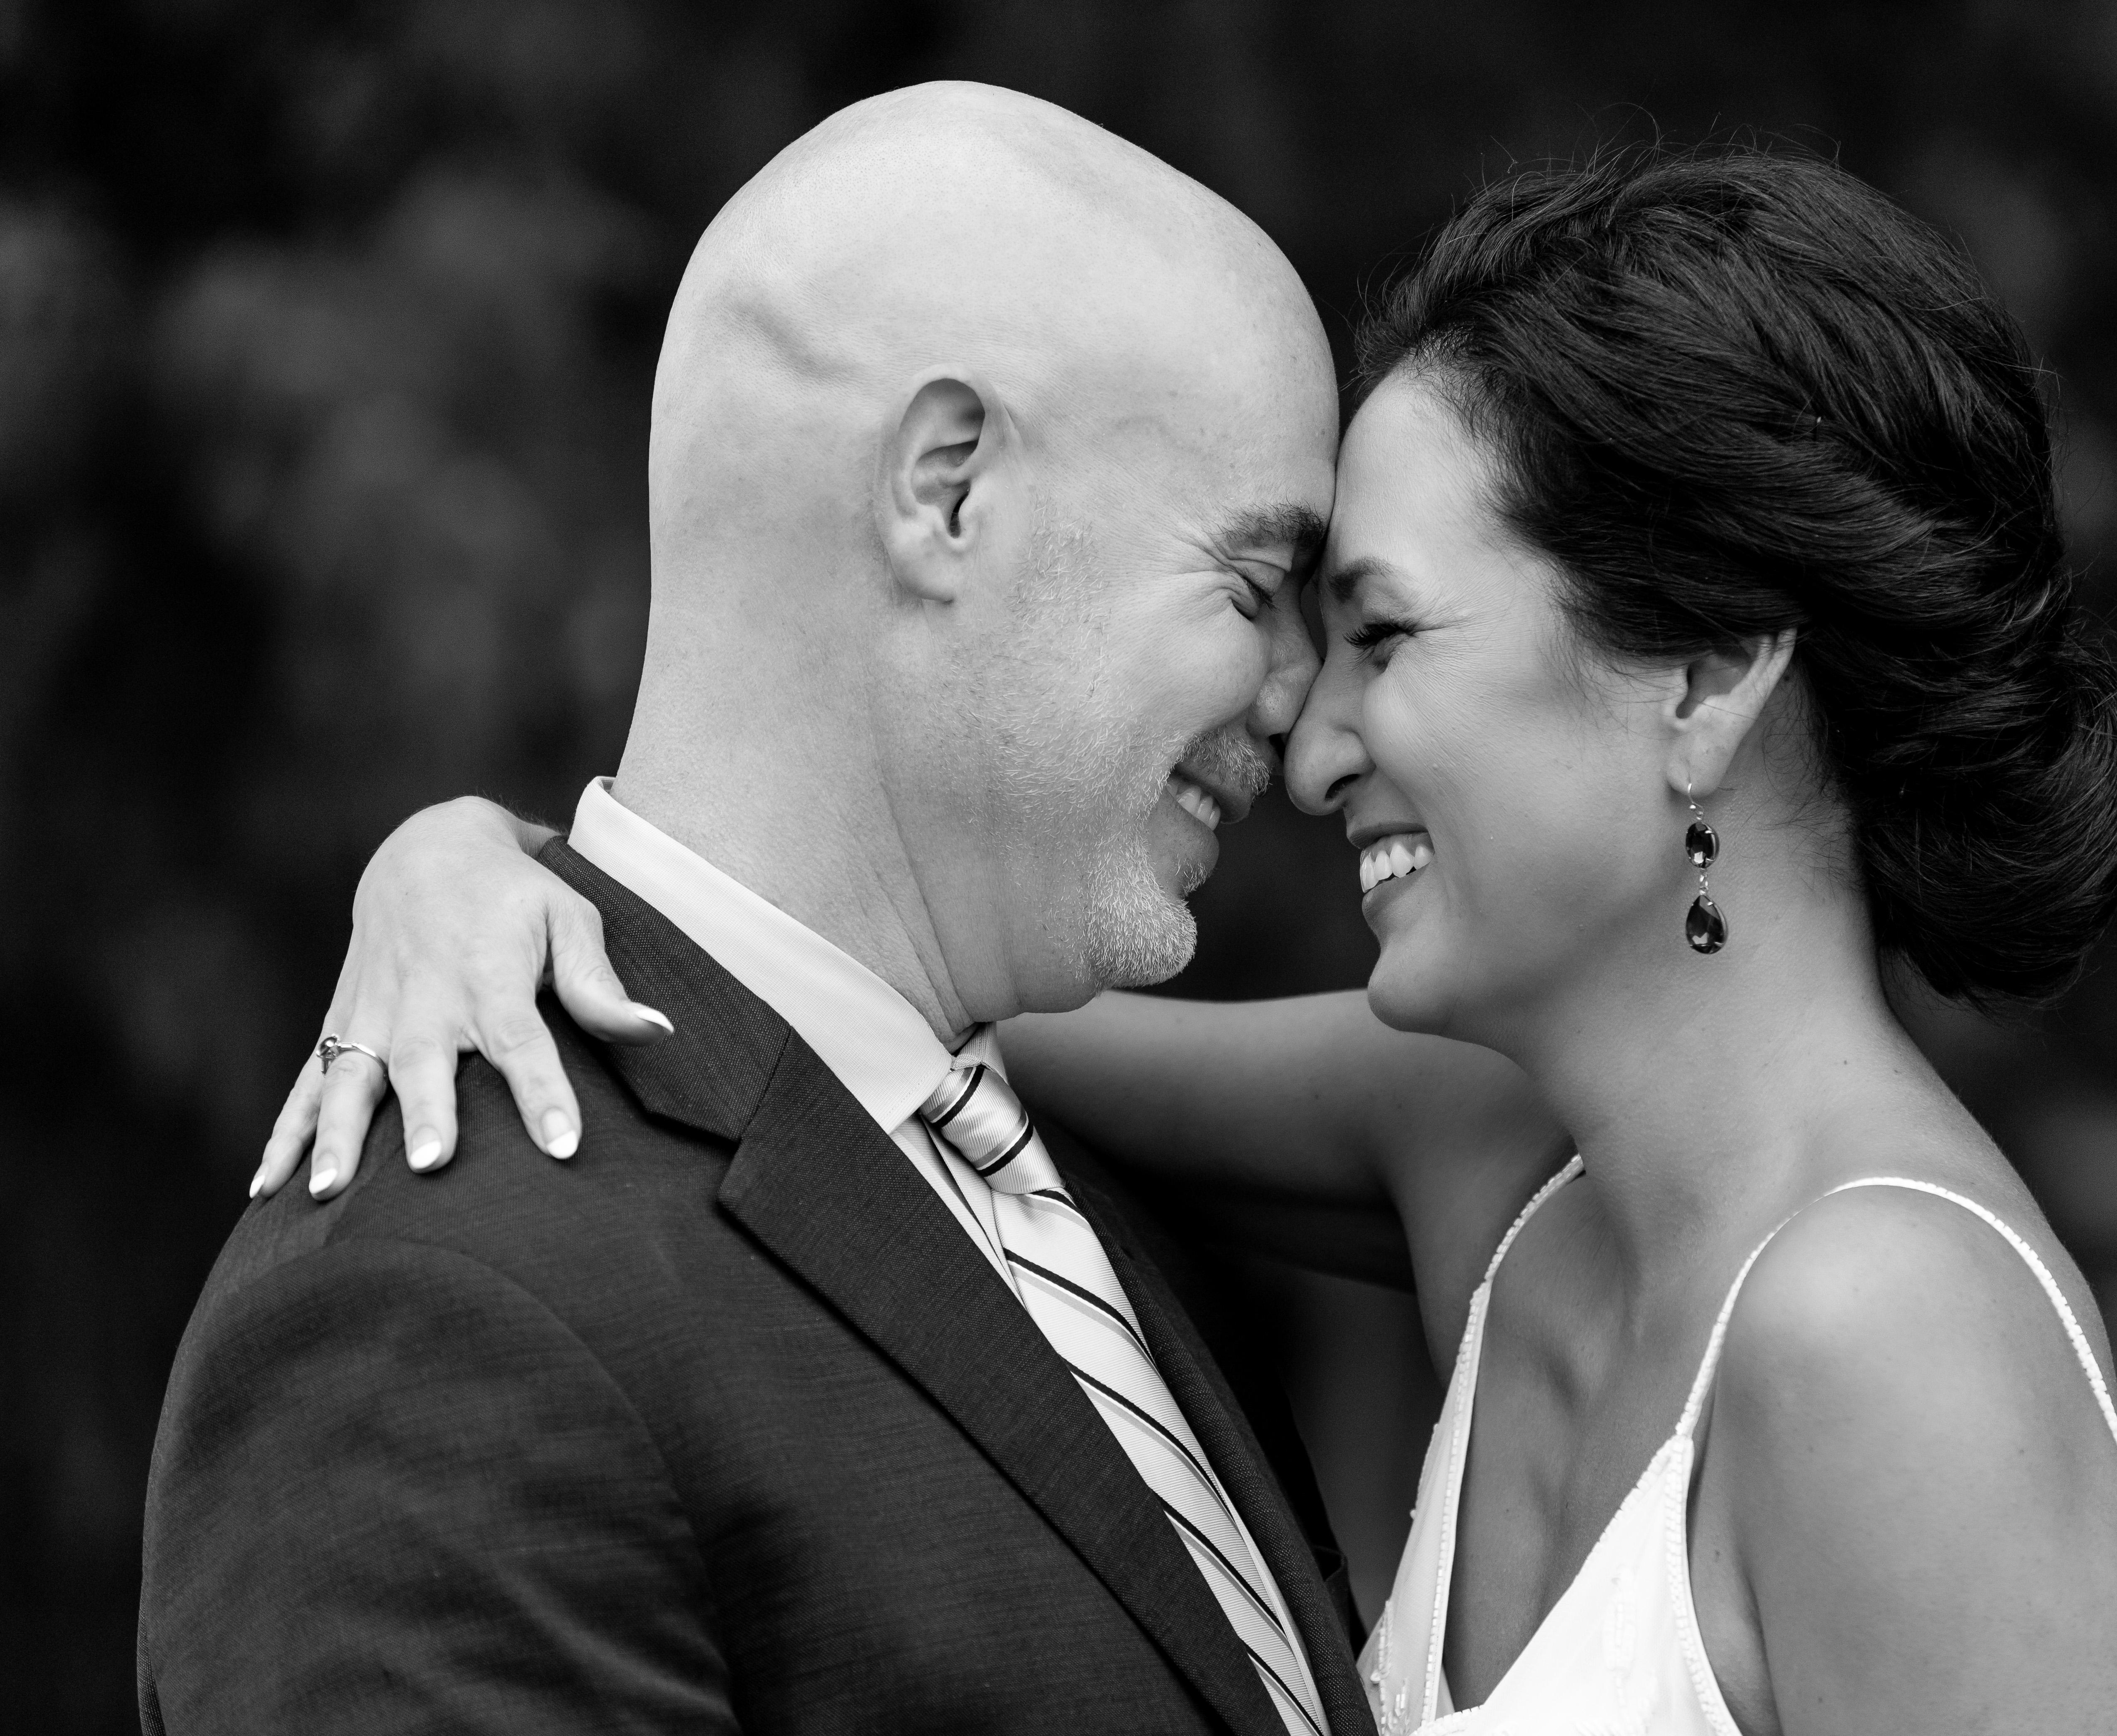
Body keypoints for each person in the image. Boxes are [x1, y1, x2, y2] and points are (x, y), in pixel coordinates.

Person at [257, 145, 2117, 1734]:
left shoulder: (1891, 1342)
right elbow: (863, 1019)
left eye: (1383, 633)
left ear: (1705, 678)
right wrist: (486, 863)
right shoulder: (1500, 1160)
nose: (1311, 744)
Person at [141, 83, 1375, 1736]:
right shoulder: (433, 1311)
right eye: (1252, 586)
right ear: (948, 491)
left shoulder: (1102, 1207)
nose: (1302, 703)